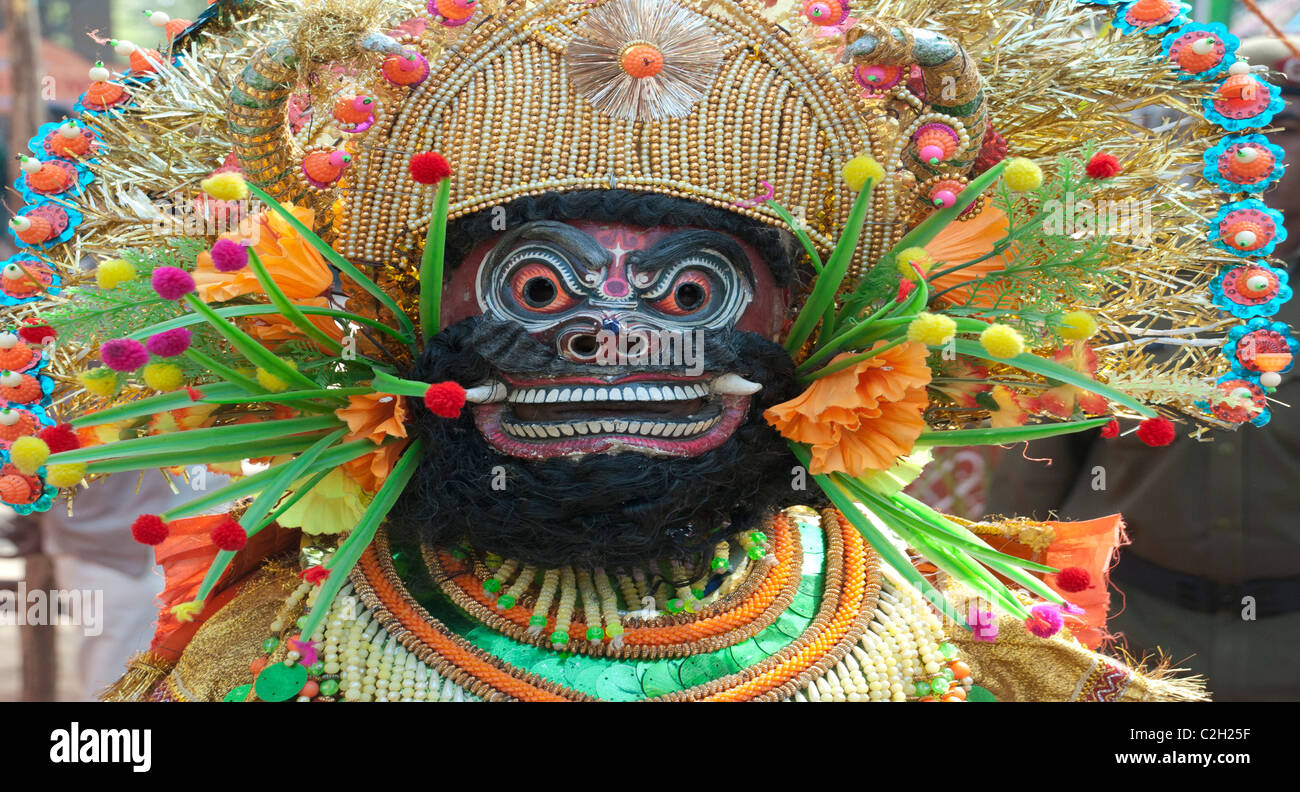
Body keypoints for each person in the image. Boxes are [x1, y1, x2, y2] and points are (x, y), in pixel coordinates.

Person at [986, 35, 1300, 703]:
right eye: (1241, 130)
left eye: (1286, 131)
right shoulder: (1127, 280)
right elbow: (1036, 454)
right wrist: (1000, 594)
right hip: (1132, 634)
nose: (1260, 154)